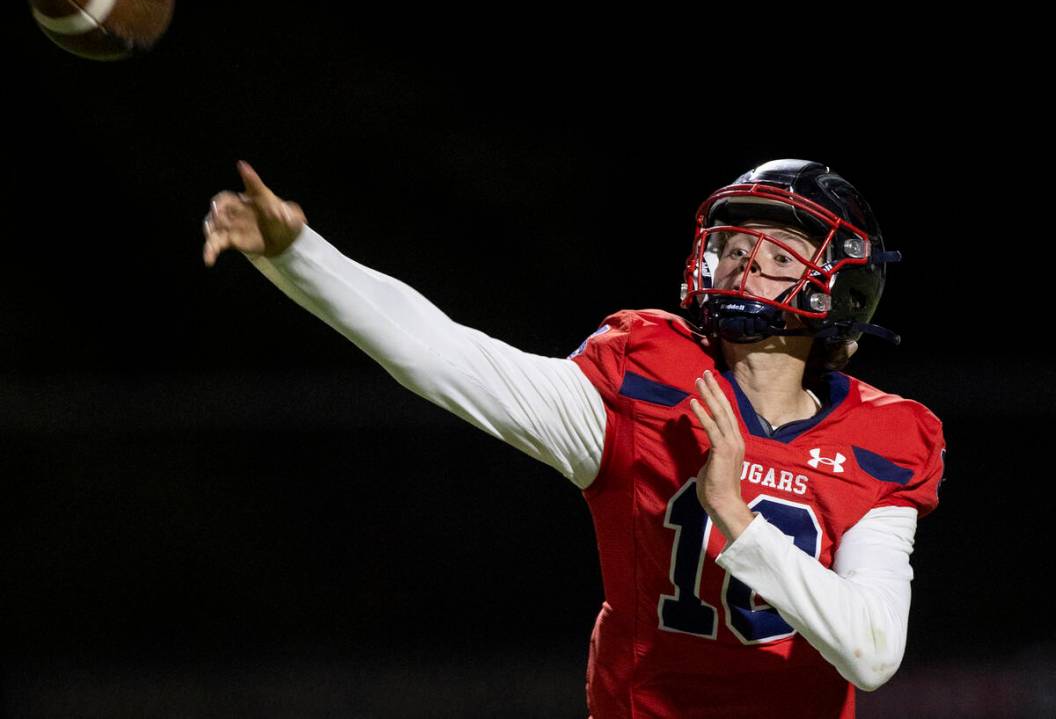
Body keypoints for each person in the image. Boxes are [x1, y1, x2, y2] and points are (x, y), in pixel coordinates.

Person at [202, 158, 945, 719]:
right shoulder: (646, 382)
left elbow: (872, 649)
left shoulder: (882, 440)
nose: (741, 263)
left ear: (835, 293)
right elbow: (446, 355)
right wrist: (299, 256)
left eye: (777, 253)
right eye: (734, 244)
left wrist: (737, 517)